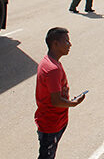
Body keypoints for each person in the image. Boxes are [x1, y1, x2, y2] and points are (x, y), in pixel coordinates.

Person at [35, 27, 85, 159]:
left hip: (55, 121)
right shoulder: (52, 69)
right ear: (55, 44)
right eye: (66, 41)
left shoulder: (50, 62)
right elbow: (56, 101)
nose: (70, 44)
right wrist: (73, 103)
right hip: (51, 124)